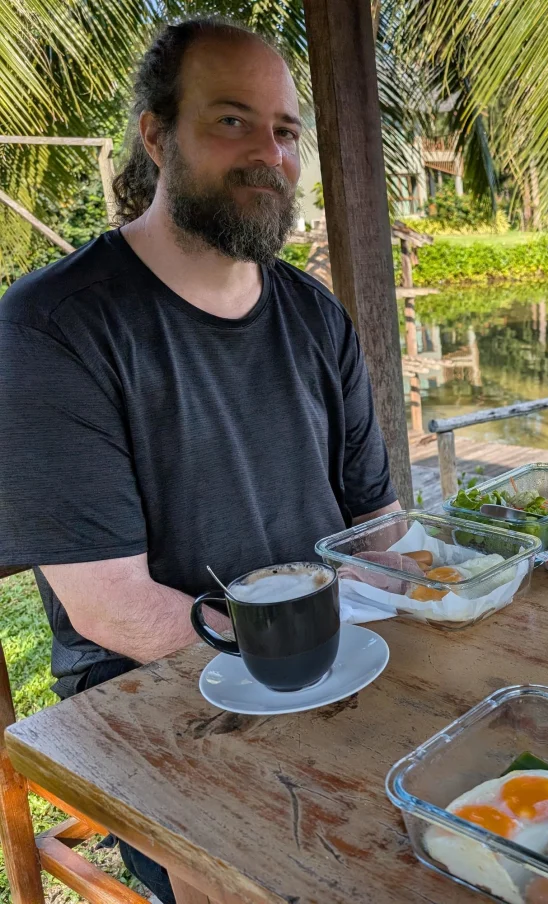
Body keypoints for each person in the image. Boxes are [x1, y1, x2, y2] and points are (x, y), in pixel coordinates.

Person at [0, 18, 400, 902]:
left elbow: (376, 524)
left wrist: (420, 610)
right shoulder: (53, 329)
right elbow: (113, 610)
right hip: (158, 692)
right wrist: (302, 659)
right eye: (231, 121)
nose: (271, 154)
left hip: (333, 655)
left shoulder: (314, 313)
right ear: (156, 133)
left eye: (286, 130)